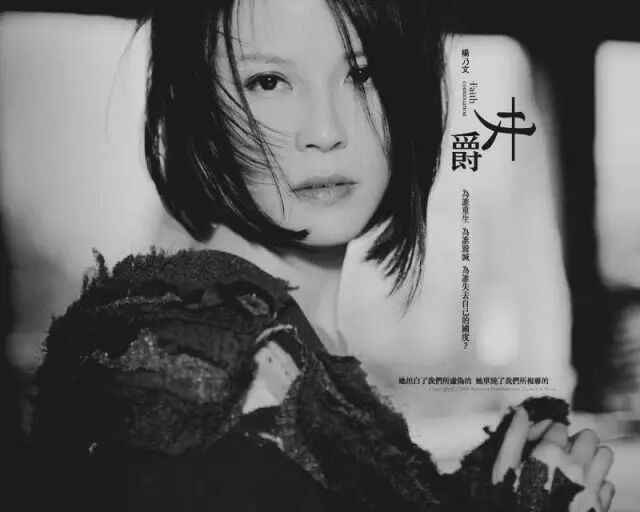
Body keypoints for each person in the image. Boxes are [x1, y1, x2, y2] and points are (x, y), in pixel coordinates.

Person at [30, 0, 615, 511]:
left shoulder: (288, 347)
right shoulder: (194, 366)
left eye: (363, 73)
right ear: (195, 102)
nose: (326, 129)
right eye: (268, 82)